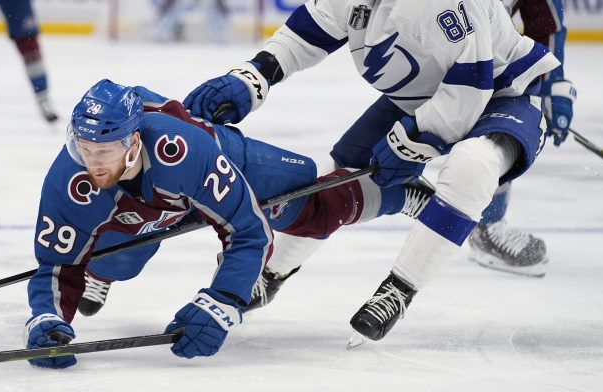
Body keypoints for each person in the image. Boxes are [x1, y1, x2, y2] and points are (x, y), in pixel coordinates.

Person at [183, 0, 560, 346]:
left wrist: (414, 139)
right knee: (334, 179)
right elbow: (305, 35)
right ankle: (274, 272)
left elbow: (470, 88)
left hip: (503, 93)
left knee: (471, 168)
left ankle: (398, 290)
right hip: (422, 94)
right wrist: (253, 77)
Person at [23, 78, 434, 368]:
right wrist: (48, 318)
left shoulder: (181, 150)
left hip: (215, 163)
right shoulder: (69, 179)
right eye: (84, 148)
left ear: (132, 142)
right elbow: (57, 264)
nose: (91, 162)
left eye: (105, 151)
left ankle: (402, 194)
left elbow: (248, 231)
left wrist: (223, 301)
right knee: (112, 252)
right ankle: (105, 271)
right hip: (153, 200)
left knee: (314, 205)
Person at [428, 0, 576, 276]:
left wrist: (554, 85)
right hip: (418, 54)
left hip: (478, 62)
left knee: (506, 123)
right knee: (393, 149)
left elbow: (547, 29)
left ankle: (487, 226)